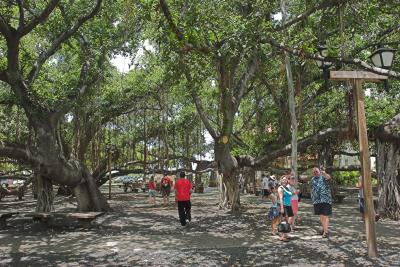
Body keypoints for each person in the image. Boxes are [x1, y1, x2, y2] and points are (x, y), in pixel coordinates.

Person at [310, 167, 332, 238]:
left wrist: (324, 173)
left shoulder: (323, 177)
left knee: (325, 215)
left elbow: (329, 177)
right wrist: (313, 198)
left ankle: (326, 232)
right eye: (314, 172)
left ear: (319, 171)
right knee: (321, 216)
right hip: (317, 200)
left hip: (325, 199)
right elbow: (312, 189)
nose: (315, 173)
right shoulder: (312, 179)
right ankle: (324, 229)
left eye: (316, 171)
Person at [277, 175, 294, 241]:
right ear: (281, 180)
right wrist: (282, 208)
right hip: (283, 205)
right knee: (284, 221)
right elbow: (281, 198)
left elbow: (290, 195)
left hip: (288, 205)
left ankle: (285, 234)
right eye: (283, 179)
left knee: (288, 220)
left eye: (286, 179)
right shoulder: (280, 188)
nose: (285, 180)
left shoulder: (286, 188)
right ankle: (282, 236)